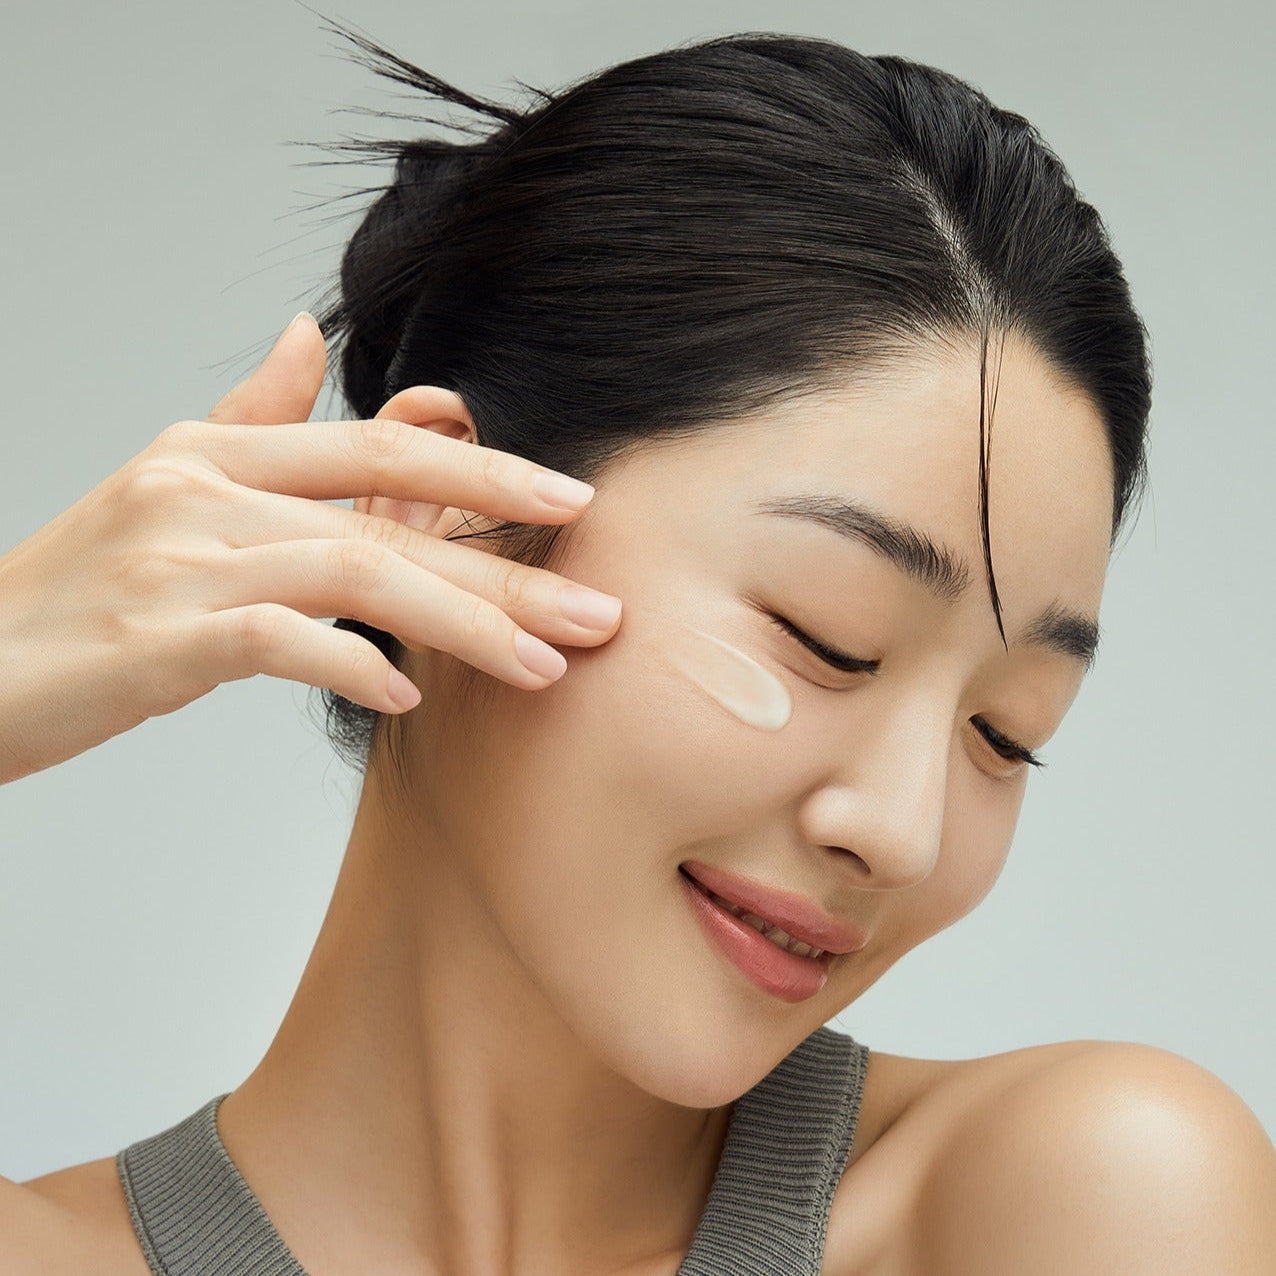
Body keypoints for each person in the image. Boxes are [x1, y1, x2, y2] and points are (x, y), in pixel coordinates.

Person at [2, 22, 1273, 1276]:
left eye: (1008, 734)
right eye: (824, 639)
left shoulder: (1071, 1205)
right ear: (452, 510)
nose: (904, 832)